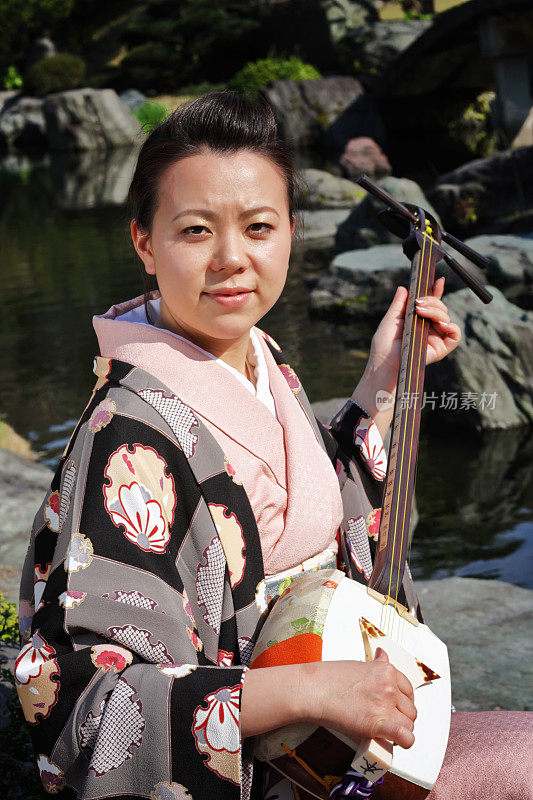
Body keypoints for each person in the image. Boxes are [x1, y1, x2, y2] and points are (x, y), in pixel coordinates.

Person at [14, 91, 524, 800]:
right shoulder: (126, 441)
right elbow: (95, 707)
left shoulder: (257, 355)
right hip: (263, 769)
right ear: (144, 243)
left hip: (335, 734)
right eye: (195, 231)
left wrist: (383, 378)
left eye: (258, 226)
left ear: (290, 229)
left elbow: (315, 505)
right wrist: (309, 688)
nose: (232, 259)